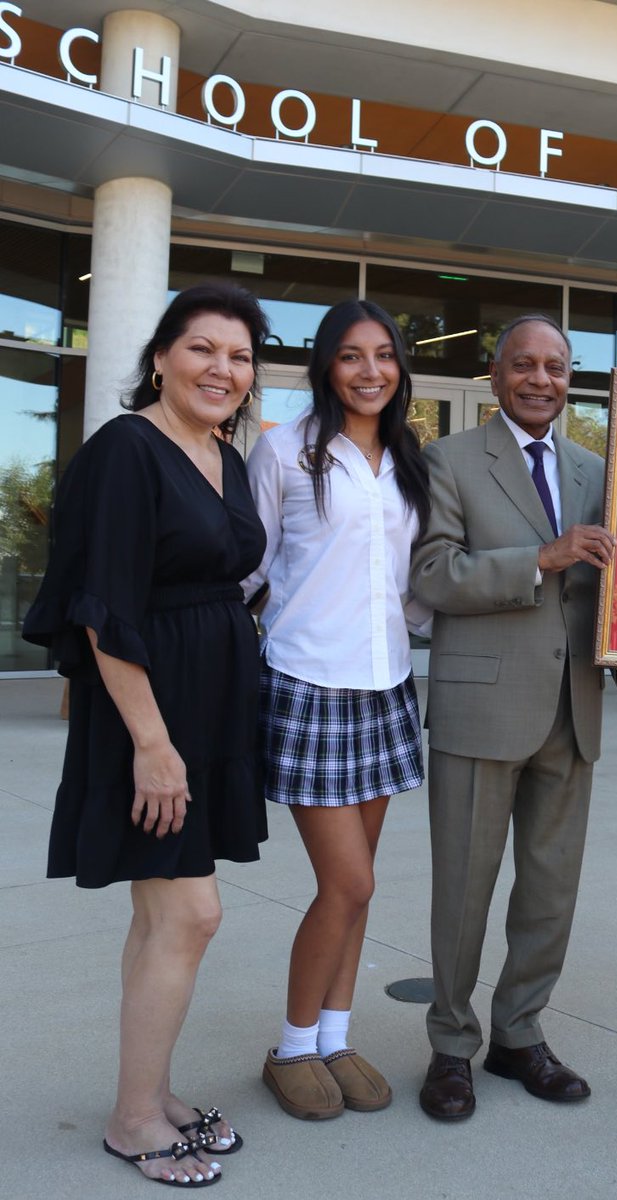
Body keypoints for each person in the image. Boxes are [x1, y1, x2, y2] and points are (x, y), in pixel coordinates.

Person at [23, 283, 271, 1187]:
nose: (222, 369)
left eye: (239, 356)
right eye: (202, 349)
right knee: (191, 913)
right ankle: (134, 1121)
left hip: (207, 708)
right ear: (161, 356)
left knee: (159, 912)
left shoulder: (219, 451)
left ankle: (150, 1089)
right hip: (152, 715)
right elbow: (103, 612)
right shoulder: (126, 451)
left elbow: (224, 574)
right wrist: (151, 744)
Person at [410, 314, 617, 1120]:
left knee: (550, 893)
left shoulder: (597, 469)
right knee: (463, 891)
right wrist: (541, 559)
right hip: (481, 710)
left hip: (572, 711)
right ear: (494, 374)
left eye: (556, 367)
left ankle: (518, 1034)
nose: (540, 380)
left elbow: (609, 593)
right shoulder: (447, 459)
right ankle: (451, 1046)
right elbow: (434, 575)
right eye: (524, 365)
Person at [245, 299, 430, 1120]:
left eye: (383, 355)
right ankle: (289, 1049)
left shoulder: (407, 458)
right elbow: (244, 572)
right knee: (344, 881)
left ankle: (335, 1036)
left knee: (361, 889)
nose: (370, 371)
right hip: (306, 683)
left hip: (385, 681)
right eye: (351, 356)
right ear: (326, 365)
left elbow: (412, 587)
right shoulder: (283, 450)